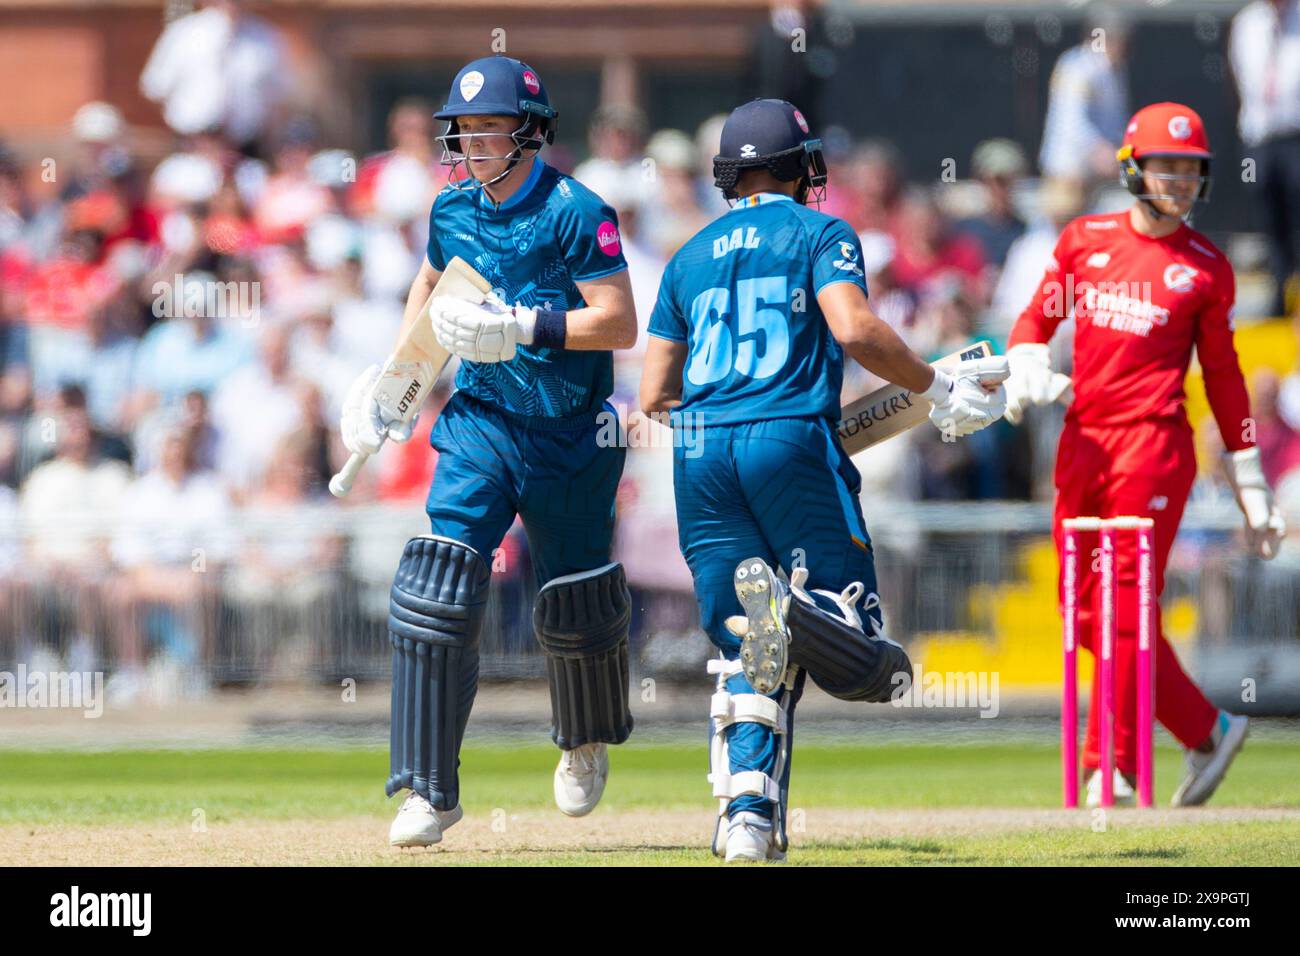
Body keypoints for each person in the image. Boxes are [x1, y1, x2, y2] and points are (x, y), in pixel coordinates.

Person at [638, 98, 1008, 862]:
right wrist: (936, 388)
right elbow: (855, 328)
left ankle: (748, 816)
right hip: (789, 442)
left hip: (699, 454)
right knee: (870, 652)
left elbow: (653, 395)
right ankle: (801, 603)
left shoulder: (686, 253)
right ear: (803, 168)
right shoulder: (823, 231)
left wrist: (726, 420)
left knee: (748, 649)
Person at [339, 56, 639, 848]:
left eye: (487, 127)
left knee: (576, 609)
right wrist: (395, 383)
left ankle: (583, 738)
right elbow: (431, 286)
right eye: (463, 129)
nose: (471, 141)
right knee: (435, 586)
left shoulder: (578, 210)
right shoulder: (452, 209)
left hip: (570, 431)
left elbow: (618, 321)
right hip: (481, 422)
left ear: (529, 131)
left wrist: (525, 326)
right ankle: (426, 791)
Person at [1004, 103, 1288, 808]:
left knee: (1126, 608)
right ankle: (1206, 728)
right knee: (1085, 616)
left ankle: (1115, 765)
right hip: (1084, 444)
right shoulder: (1085, 240)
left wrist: (1251, 485)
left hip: (1155, 448)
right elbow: (1036, 318)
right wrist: (1024, 362)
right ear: (1133, 167)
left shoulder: (1205, 269)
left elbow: (1224, 379)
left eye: (1192, 170)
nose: (1182, 181)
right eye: (1168, 166)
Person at [1229, 0, 1300, 317]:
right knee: (1264, 205)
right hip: (1258, 140)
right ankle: (1280, 285)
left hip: (1294, 136)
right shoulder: (1248, 23)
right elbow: (1241, 77)